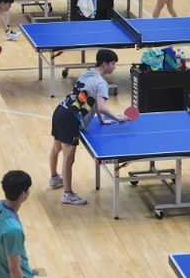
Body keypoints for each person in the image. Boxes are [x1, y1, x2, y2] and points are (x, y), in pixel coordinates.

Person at [49, 49, 130, 205]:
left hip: (60, 111)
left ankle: (54, 178)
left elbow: (93, 102)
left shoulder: (87, 73)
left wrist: (102, 120)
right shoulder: (102, 84)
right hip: (70, 119)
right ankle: (67, 194)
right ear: (105, 63)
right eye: (113, 64)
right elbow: (102, 107)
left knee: (56, 148)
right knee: (69, 157)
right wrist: (117, 118)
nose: (114, 67)